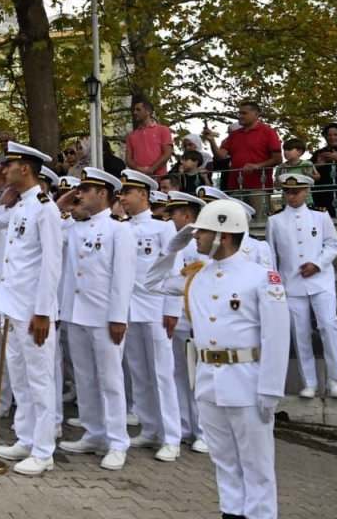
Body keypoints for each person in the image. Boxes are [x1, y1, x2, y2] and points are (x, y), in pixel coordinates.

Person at [161, 199, 289, 519]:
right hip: (208, 381)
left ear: (224, 235)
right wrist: (171, 248)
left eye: (201, 231)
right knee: (224, 463)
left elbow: (276, 337)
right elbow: (150, 282)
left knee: (256, 467)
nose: (196, 237)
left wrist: (271, 390)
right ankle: (231, 513)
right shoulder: (198, 276)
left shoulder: (261, 277)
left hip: (247, 381)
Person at [0, 142, 62, 476]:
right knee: (20, 378)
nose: (4, 171)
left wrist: (43, 311)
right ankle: (26, 438)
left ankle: (44, 452)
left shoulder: (46, 208)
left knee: (40, 380)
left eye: (8, 166)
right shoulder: (18, 207)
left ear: (25, 169)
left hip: (32, 310)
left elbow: (51, 264)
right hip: (11, 306)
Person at [57, 167, 137, 472]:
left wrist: (118, 317)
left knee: (111, 381)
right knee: (85, 378)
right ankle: (93, 433)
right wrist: (64, 204)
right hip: (76, 313)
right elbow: (51, 224)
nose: (79, 195)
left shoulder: (119, 230)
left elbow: (122, 278)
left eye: (85, 191)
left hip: (105, 318)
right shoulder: (74, 227)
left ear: (102, 193)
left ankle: (117, 442)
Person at [117, 169, 182, 463]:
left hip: (156, 308)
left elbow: (175, 270)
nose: (122, 199)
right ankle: (150, 427)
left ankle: (172, 436)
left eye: (127, 193)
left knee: (162, 374)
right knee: (139, 373)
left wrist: (172, 309)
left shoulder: (163, 229)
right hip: (129, 309)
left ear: (143, 195)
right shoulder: (122, 228)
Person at [267, 174, 337, 399]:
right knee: (300, 333)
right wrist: (277, 282)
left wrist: (318, 264)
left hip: (321, 281)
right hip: (291, 283)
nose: (291, 196)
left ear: (305, 191)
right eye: (288, 192)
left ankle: (334, 380)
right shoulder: (275, 220)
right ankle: (309, 382)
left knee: (329, 326)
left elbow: (332, 244)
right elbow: (272, 254)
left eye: (296, 191)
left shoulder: (320, 215)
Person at [145, 190, 211, 454]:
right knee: (179, 376)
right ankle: (184, 427)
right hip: (178, 318)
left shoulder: (204, 243)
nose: (168, 217)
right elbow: (159, 281)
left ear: (186, 215)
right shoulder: (175, 242)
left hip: (200, 320)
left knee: (201, 378)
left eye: (172, 213)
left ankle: (203, 431)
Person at [204, 102, 282, 219]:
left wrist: (257, 166)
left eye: (244, 113)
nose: (240, 116)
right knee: (236, 222)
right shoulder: (234, 135)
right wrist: (212, 141)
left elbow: (278, 159)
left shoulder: (268, 132)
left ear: (256, 114)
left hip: (259, 187)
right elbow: (221, 155)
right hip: (235, 187)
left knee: (260, 222)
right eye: (239, 113)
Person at [125, 98, 175, 176]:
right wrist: (138, 169)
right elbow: (128, 159)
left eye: (138, 110)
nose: (135, 112)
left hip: (159, 178)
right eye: (134, 110)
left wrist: (151, 169)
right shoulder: (131, 135)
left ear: (148, 111)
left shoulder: (163, 130)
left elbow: (167, 153)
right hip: (138, 178)